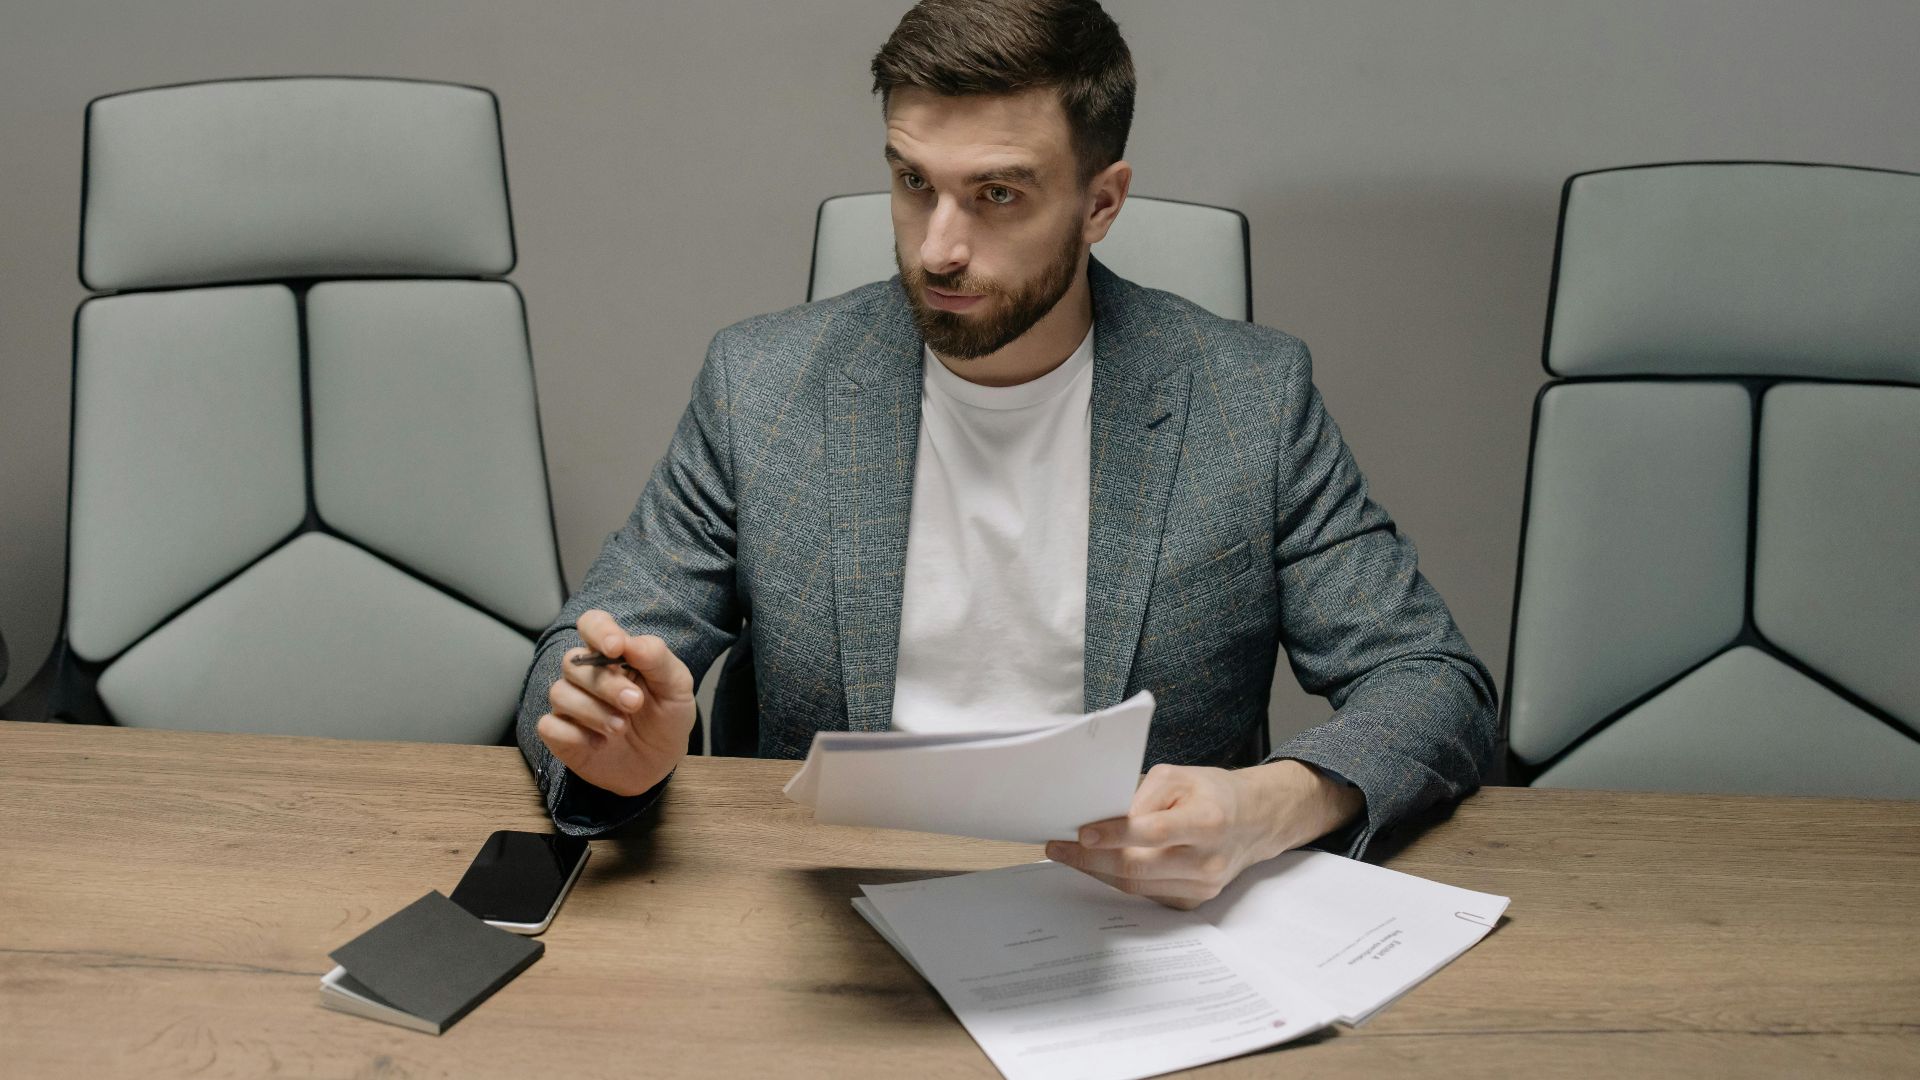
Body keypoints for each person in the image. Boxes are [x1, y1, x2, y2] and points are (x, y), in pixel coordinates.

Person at [517, 0, 1496, 909]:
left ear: (1102, 202)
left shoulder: (1249, 399)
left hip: (1129, 916)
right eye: (913, 183)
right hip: (835, 907)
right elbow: (576, 651)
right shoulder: (762, 386)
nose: (939, 248)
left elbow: (1432, 682)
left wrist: (1268, 807)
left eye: (996, 195)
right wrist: (612, 744)